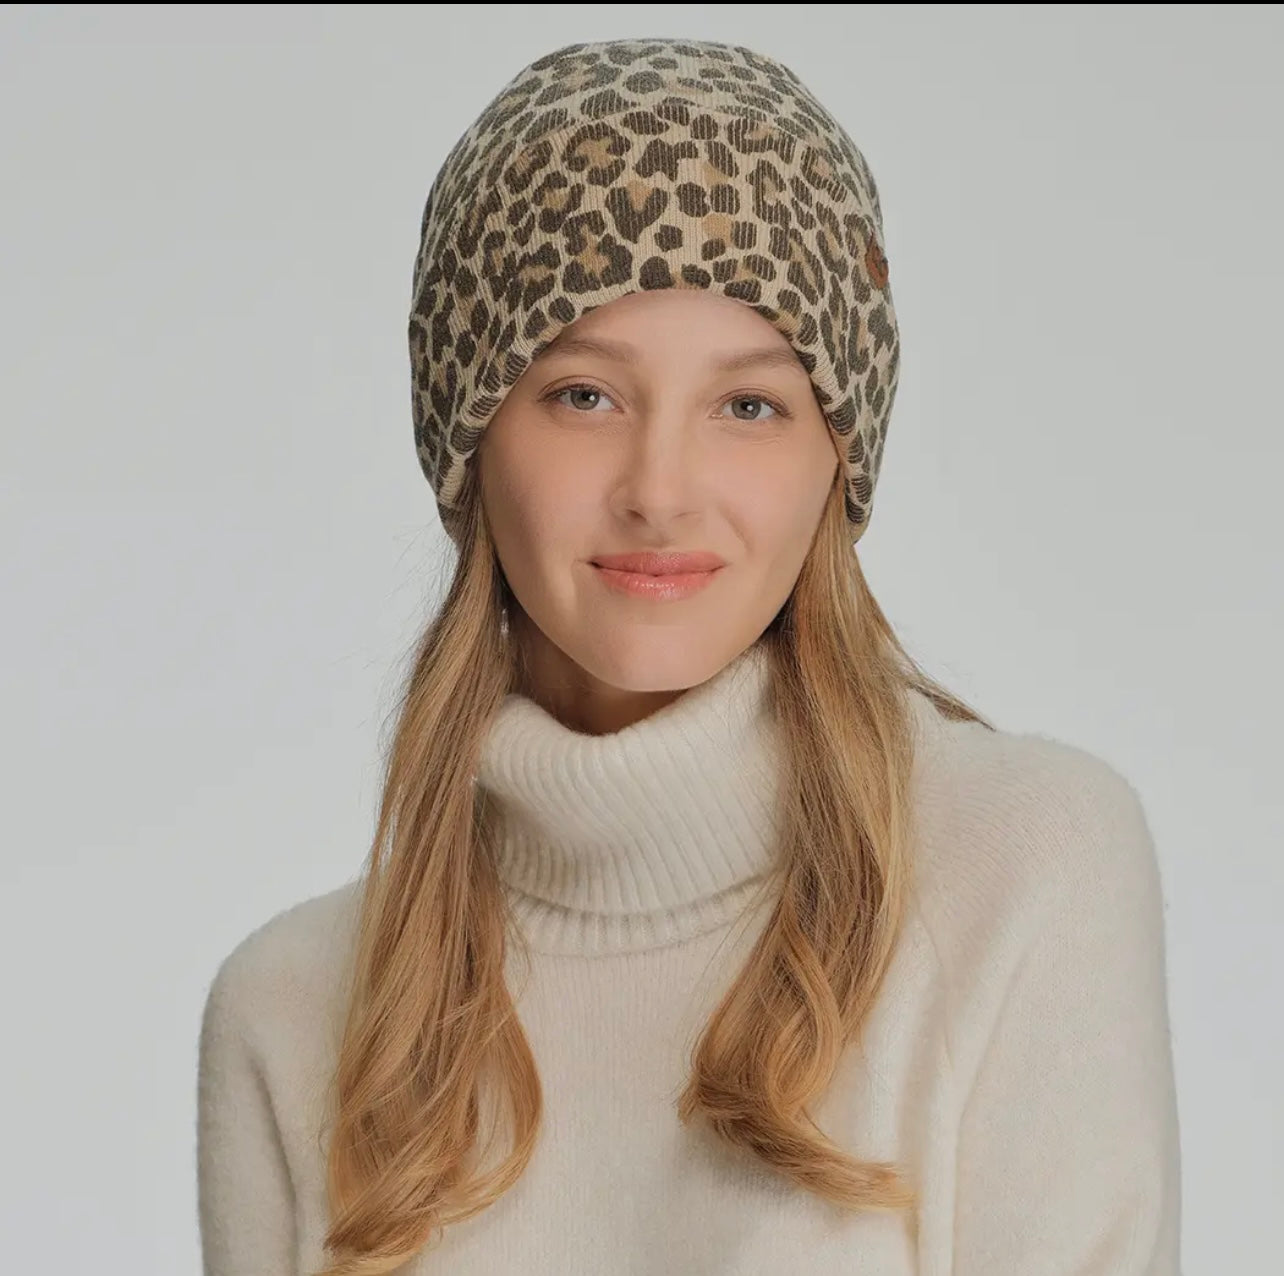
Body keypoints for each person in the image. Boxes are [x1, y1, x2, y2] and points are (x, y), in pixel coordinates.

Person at [196, 36, 1182, 1276]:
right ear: (469, 434)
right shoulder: (293, 1011)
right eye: (585, 395)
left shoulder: (1022, 873)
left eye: (749, 406)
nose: (660, 491)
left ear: (837, 458)